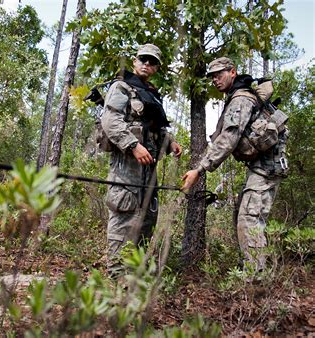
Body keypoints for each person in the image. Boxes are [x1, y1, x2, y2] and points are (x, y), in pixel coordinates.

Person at [181, 57, 287, 272]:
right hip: (263, 167)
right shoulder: (238, 97)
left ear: (233, 72)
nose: (215, 80)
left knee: (249, 221)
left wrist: (199, 169)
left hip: (267, 168)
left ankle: (255, 282)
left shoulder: (241, 99)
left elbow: (228, 139)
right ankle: (250, 271)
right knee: (244, 215)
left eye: (219, 74)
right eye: (212, 76)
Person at [101, 44, 182, 278]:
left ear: (156, 67)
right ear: (135, 62)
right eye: (143, 59)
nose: (147, 64)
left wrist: (170, 142)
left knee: (146, 224)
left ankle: (135, 280)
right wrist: (133, 145)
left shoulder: (152, 94)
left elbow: (154, 128)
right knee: (122, 222)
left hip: (149, 175)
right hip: (126, 171)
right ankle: (116, 284)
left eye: (152, 61)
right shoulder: (121, 87)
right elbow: (110, 121)